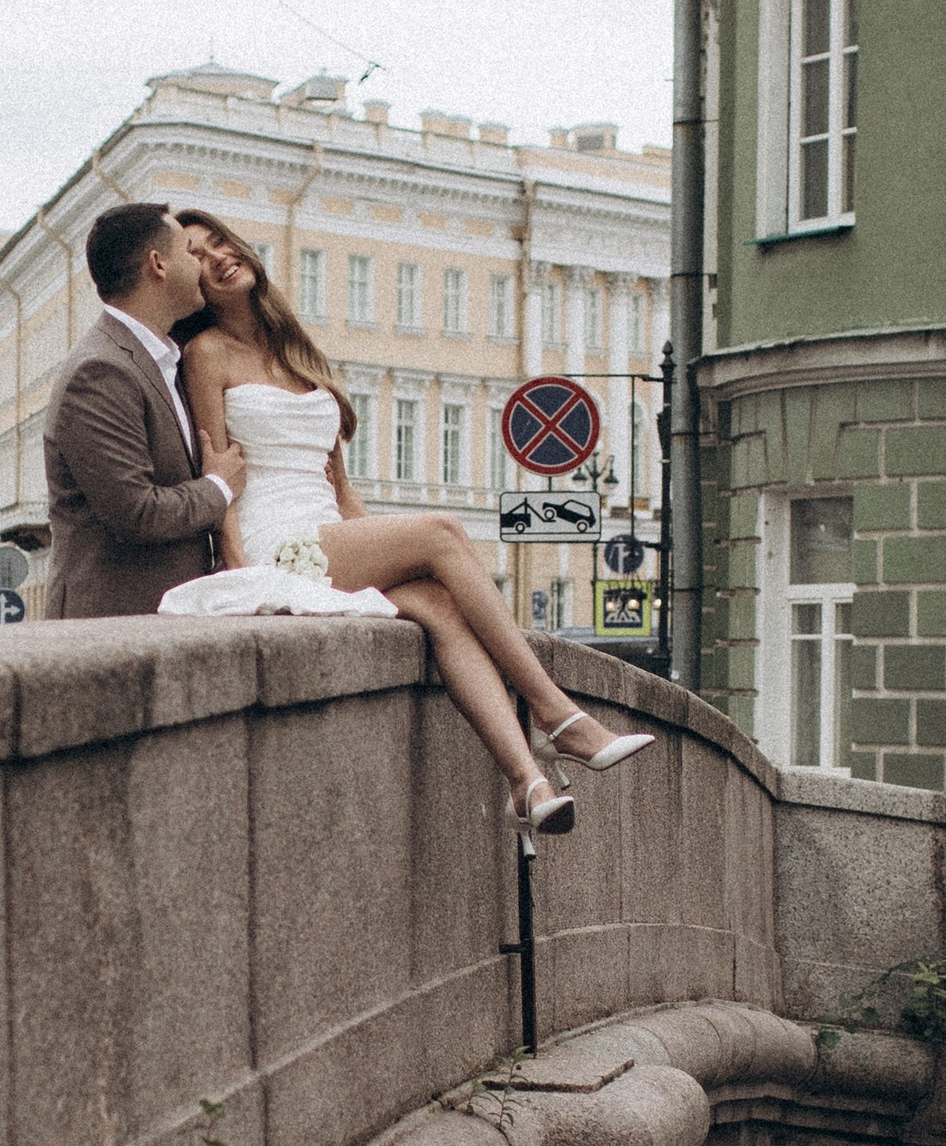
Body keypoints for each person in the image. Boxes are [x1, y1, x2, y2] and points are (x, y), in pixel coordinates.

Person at [162, 212, 650, 836]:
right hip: (275, 544)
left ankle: (526, 783)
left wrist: (384, 545)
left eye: (220, 242)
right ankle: (555, 712)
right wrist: (243, 573)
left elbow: (339, 487)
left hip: (329, 533)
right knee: (442, 532)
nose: (217, 258)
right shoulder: (206, 354)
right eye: (197, 256)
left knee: (443, 609)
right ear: (193, 284)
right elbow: (221, 478)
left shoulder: (298, 350)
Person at [41, 202, 249, 620]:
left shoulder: (161, 361)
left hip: (157, 622)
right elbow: (138, 512)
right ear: (158, 264)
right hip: (108, 628)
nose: (199, 266)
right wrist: (219, 487)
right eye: (190, 253)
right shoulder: (100, 371)